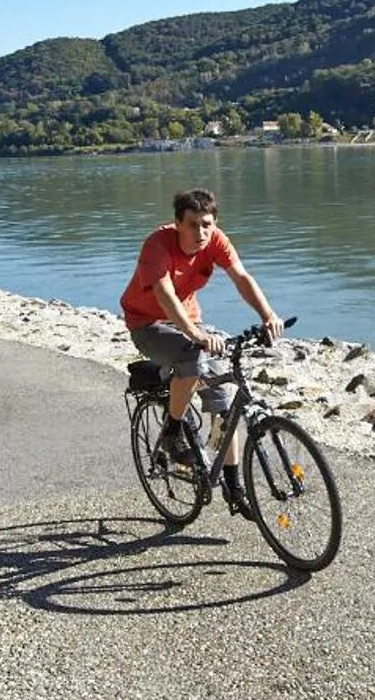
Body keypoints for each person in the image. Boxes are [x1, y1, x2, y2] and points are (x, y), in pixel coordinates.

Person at [120, 188, 282, 514]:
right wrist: (194, 333)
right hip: (148, 324)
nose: (201, 232)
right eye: (192, 225)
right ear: (177, 223)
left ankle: (234, 488)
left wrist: (268, 316)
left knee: (224, 400)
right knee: (191, 357)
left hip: (191, 324)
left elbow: (241, 277)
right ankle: (172, 430)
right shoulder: (157, 245)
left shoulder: (216, 240)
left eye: (206, 224)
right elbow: (165, 295)